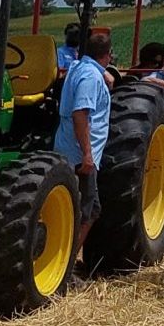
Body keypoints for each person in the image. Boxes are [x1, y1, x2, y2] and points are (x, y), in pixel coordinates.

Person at [54, 27, 114, 260]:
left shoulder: (79, 67)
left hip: (69, 147)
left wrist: (105, 73)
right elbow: (81, 114)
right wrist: (88, 154)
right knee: (86, 211)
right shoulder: (90, 77)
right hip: (80, 154)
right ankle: (65, 264)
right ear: (107, 54)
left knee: (86, 209)